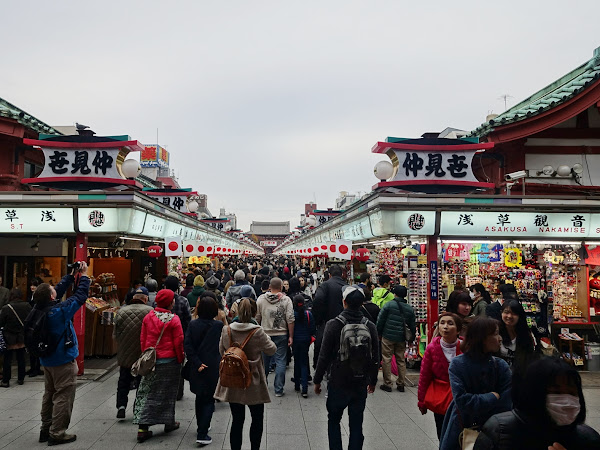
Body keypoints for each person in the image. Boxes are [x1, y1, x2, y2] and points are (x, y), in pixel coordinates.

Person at [475, 357, 600, 450]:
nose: (566, 400)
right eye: (556, 392)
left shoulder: (589, 438)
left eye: (572, 393)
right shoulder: (500, 432)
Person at [313, 285, 379, 450]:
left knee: (334, 420)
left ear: (344, 302)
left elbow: (324, 355)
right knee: (357, 423)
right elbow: (375, 357)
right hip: (360, 381)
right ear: (362, 303)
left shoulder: (333, 324)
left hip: (338, 381)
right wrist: (373, 380)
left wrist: (317, 379)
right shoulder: (370, 325)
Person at [35, 262, 91, 446]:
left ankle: (46, 428)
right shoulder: (59, 312)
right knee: (63, 396)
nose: (56, 290)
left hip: (47, 359)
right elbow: (80, 296)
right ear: (51, 296)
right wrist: (83, 275)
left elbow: (56, 291)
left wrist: (70, 275)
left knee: (49, 394)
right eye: (53, 290)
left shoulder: (37, 307)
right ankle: (57, 433)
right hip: (63, 360)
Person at [439, 317, 512, 450]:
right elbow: (462, 401)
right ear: (481, 338)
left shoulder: (501, 366)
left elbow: (506, 405)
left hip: (494, 432)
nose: (500, 338)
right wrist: (492, 397)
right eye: (495, 334)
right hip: (461, 429)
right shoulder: (458, 364)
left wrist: (479, 402)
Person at [214, 298, 277, 450]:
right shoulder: (257, 332)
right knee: (257, 419)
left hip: (233, 379)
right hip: (253, 380)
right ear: (254, 313)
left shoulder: (227, 330)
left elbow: (222, 351)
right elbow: (272, 349)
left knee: (237, 420)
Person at [133, 289, 185, 443]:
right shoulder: (174, 320)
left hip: (152, 361)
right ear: (169, 302)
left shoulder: (148, 317)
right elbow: (178, 343)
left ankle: (143, 429)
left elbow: (143, 339)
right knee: (168, 393)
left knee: (147, 392)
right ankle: (169, 422)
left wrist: (146, 356)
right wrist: (180, 359)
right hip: (169, 361)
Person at [185, 294, 224, 445]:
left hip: (197, 366)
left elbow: (188, 345)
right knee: (209, 399)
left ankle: (201, 426)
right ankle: (202, 432)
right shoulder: (218, 326)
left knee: (199, 397)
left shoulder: (193, 325)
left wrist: (196, 362)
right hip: (213, 366)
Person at [417, 313, 463, 439]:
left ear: (458, 329)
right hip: (440, 397)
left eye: (450, 323)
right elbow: (424, 376)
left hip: (461, 397)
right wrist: (421, 401)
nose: (445, 327)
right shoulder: (432, 348)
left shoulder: (465, 347)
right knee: (442, 432)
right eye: (442, 323)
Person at [113, 287, 152, 419]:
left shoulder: (121, 311)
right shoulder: (150, 312)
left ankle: (121, 406)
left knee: (123, 380)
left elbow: (115, 334)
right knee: (142, 381)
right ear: (145, 299)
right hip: (142, 353)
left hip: (125, 352)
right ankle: (138, 407)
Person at [256, 277, 294, 397]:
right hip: (281, 333)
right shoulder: (286, 300)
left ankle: (263, 386)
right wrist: (291, 336)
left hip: (265, 334)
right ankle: (278, 389)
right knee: (280, 361)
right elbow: (290, 319)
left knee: (264, 362)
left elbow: (257, 317)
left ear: (269, 287)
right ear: (281, 287)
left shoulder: (261, 299)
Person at [377, 285, 416, 393]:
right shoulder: (409, 308)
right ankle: (401, 383)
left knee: (386, 359)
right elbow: (412, 325)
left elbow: (380, 320)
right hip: (401, 337)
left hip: (387, 336)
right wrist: (411, 338)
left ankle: (387, 383)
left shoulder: (388, 305)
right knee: (401, 360)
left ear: (395, 294)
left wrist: (378, 332)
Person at [497, 299, 540, 394]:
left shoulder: (527, 335)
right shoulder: (495, 332)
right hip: (499, 380)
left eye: (514, 314)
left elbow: (530, 358)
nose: (509, 316)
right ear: (501, 313)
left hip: (520, 380)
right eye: (506, 312)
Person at [312, 264, 347, 368]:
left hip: (327, 321)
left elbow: (318, 300)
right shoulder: (346, 287)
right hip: (344, 323)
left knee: (325, 346)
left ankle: (323, 368)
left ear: (330, 275)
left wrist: (318, 319)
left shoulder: (325, 285)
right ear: (341, 275)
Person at [0, 288, 31, 387]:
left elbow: (1, 322)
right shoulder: (26, 306)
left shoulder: (6, 308)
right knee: (21, 358)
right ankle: (21, 378)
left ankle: (6, 380)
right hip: (21, 336)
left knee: (7, 359)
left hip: (9, 336)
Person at [292, 294, 315, 397]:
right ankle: (304, 388)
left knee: (297, 362)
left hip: (295, 340)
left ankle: (297, 384)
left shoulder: (292, 315)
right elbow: (312, 328)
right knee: (304, 363)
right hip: (305, 340)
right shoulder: (308, 314)